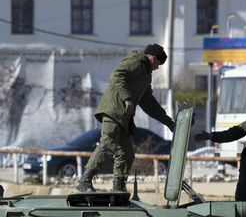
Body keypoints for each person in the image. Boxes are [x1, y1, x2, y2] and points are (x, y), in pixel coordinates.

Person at [75, 43, 175, 193]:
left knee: (126, 153)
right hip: (113, 110)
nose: (158, 67)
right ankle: (84, 181)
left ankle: (118, 187)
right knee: (107, 143)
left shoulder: (146, 75)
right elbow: (116, 75)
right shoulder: (137, 61)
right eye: (158, 63)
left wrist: (168, 122)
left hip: (124, 118)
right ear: (153, 58)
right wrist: (127, 98)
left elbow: (149, 104)